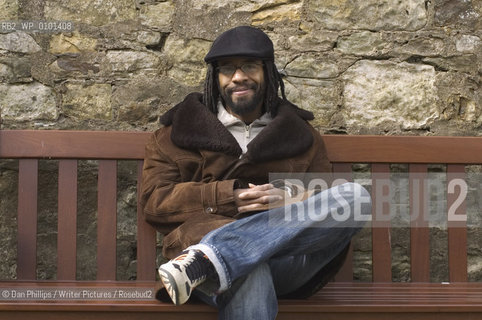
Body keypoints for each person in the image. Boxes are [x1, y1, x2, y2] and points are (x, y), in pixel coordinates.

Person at [141, 25, 371, 319]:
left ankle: (215, 258)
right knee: (249, 268)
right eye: (227, 69)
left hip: (288, 262)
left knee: (357, 198)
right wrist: (228, 197)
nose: (238, 76)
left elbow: (324, 202)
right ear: (215, 78)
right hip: (205, 248)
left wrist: (292, 198)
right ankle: (218, 260)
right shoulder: (174, 135)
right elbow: (154, 202)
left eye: (250, 66)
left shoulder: (302, 137)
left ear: (268, 73)